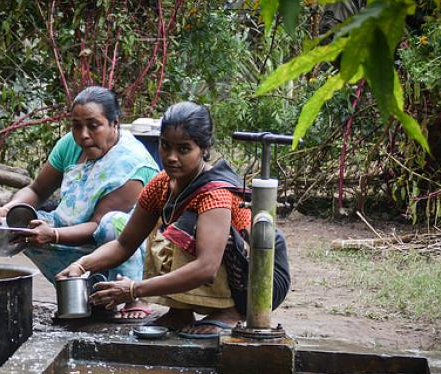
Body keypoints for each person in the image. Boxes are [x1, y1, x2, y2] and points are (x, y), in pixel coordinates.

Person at [57, 102, 290, 338]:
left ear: (204, 149)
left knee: (185, 229)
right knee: (163, 228)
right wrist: (82, 265)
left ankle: (230, 313)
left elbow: (206, 268)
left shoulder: (215, 193)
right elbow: (125, 243)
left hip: (259, 281)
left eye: (184, 149)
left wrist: (133, 290)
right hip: (230, 269)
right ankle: (179, 311)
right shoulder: (161, 185)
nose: (171, 157)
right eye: (165, 146)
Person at [0, 86, 159, 322]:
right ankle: (86, 294)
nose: (83, 135)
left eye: (93, 125)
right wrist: (11, 208)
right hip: (70, 230)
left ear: (115, 124)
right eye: (76, 125)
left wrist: (53, 235)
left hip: (119, 243)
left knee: (115, 223)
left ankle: (128, 295)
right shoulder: (69, 145)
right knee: (21, 227)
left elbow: (97, 225)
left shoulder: (132, 166)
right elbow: (37, 190)